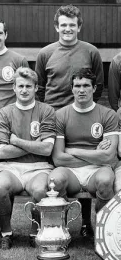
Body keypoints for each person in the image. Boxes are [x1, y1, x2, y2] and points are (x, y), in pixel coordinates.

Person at [35, 4, 104, 238]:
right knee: (58, 171)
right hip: (55, 119)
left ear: (79, 26)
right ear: (56, 26)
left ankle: (86, 223)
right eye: (63, 25)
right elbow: (41, 89)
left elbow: (99, 85)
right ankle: (57, 224)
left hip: (82, 116)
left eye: (71, 25)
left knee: (84, 167)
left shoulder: (91, 52)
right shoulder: (45, 53)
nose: (67, 29)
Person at [0, 67, 56, 249]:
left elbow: (47, 149)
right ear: (14, 88)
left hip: (39, 167)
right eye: (20, 86)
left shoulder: (47, 111)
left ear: (36, 88)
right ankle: (6, 233)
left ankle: (35, 231)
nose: (24, 90)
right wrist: (33, 144)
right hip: (11, 167)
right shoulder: (4, 112)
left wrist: (17, 141)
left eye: (29, 86)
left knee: (41, 190)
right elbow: (1, 152)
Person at [49, 68, 118, 221]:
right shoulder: (60, 115)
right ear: (71, 88)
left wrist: (72, 150)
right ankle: (61, 231)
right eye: (77, 86)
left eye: (86, 86)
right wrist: (96, 154)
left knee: (106, 181)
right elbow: (59, 159)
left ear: (94, 88)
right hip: (70, 170)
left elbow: (109, 157)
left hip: (97, 170)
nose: (81, 90)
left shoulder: (108, 115)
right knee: (55, 180)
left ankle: (104, 231)